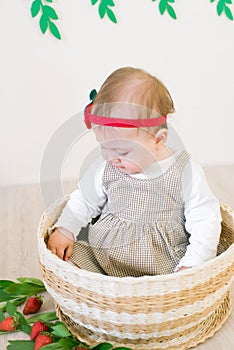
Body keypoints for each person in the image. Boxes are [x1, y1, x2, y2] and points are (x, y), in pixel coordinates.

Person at [47, 67, 222, 276]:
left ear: (159, 139)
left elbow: (205, 220)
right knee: (68, 261)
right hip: (103, 258)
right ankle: (100, 291)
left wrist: (191, 265)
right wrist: (66, 229)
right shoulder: (107, 167)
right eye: (103, 146)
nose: (110, 157)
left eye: (122, 151)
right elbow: (84, 199)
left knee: (185, 275)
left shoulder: (185, 171)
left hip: (162, 267)